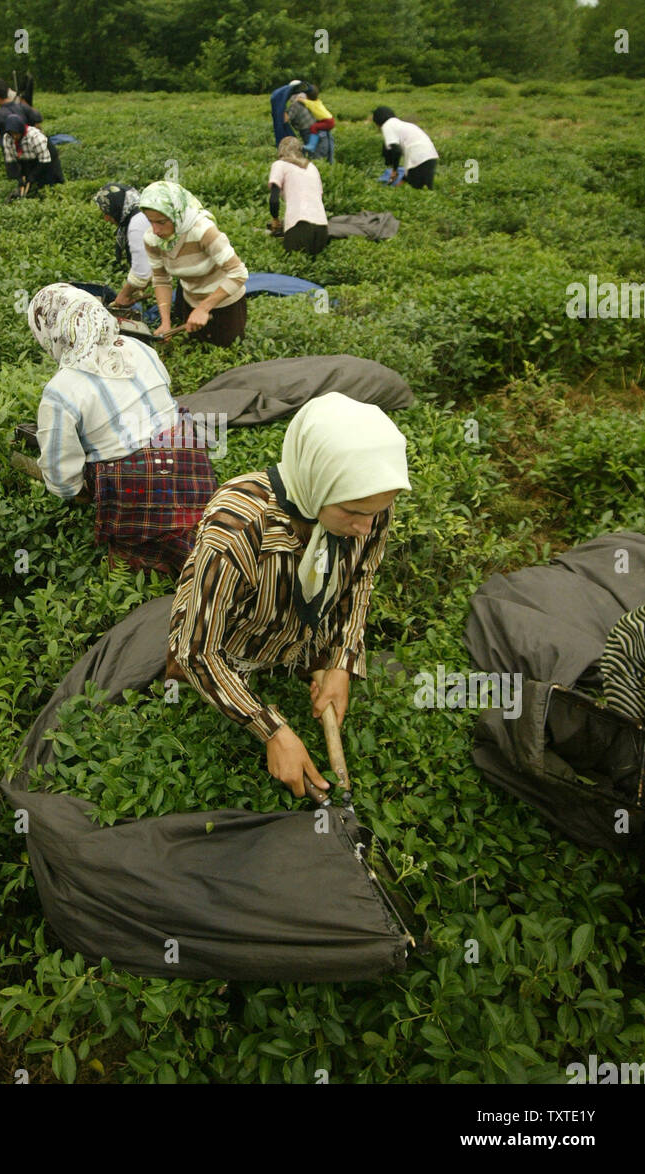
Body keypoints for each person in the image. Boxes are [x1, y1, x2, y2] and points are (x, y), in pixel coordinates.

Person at [166, 392, 411, 797]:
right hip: (233, 647)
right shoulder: (238, 528)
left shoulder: (368, 502)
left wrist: (340, 662)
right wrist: (272, 731)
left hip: (301, 633)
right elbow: (196, 650)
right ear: (318, 482)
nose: (367, 528)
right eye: (352, 512)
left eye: (377, 512)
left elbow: (360, 581)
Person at [27, 284, 218, 576]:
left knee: (147, 558)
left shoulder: (60, 392)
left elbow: (63, 481)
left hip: (136, 485)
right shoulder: (139, 347)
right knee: (200, 537)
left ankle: (158, 553)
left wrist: (85, 487)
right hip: (191, 461)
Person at [137, 182, 249, 347]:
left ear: (177, 213)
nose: (156, 230)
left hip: (225, 304)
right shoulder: (152, 239)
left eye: (161, 222)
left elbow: (238, 273)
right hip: (190, 301)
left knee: (227, 356)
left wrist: (204, 308)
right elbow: (161, 279)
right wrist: (165, 322)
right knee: (196, 349)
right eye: (150, 221)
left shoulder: (203, 231)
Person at [92, 184, 153, 308]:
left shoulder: (137, 223)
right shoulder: (139, 213)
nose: (106, 218)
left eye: (106, 212)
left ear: (117, 207)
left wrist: (123, 295)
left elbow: (142, 273)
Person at [268, 137, 329, 255]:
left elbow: (274, 200)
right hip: (322, 228)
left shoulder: (280, 164)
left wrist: (275, 220)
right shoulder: (312, 167)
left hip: (299, 225)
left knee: (293, 267)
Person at [372, 106, 438, 189]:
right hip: (430, 156)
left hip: (418, 157)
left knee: (416, 193)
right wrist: (401, 181)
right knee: (426, 190)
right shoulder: (403, 125)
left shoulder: (387, 125)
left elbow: (396, 151)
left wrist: (394, 171)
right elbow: (411, 172)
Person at [0, 112, 64, 196]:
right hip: (26, 158)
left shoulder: (35, 137)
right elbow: (11, 161)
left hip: (46, 158)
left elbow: (45, 160)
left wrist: (32, 176)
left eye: (16, 133)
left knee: (49, 182)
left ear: (21, 130)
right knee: (26, 183)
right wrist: (18, 177)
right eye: (11, 134)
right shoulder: (7, 138)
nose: (14, 137)